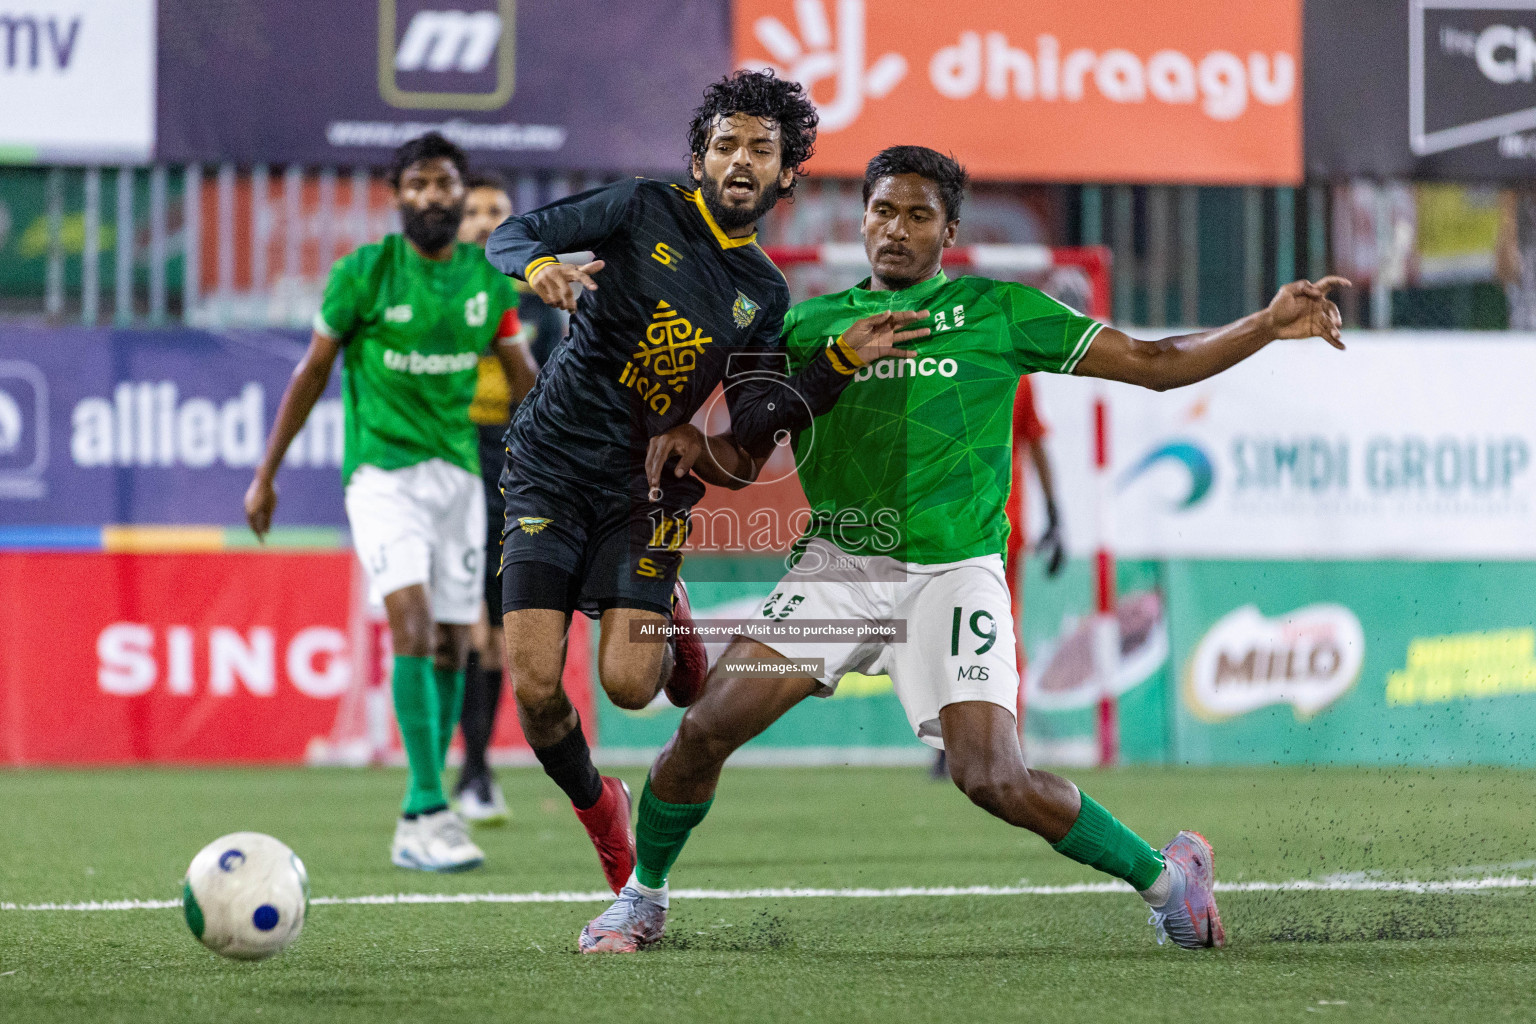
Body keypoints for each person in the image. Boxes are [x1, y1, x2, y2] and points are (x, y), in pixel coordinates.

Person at [579, 145, 1348, 953]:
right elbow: (741, 457)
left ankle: (1168, 880)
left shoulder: (1001, 312)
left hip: (956, 578)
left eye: (918, 215)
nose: (896, 229)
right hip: (840, 570)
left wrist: (1263, 326)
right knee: (704, 730)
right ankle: (642, 902)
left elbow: (1155, 365)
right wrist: (689, 445)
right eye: (883, 211)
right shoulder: (808, 325)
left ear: (950, 230)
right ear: (863, 220)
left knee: (994, 779)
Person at [483, 70, 927, 895]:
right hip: (546, 467)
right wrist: (537, 266)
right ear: (699, 159)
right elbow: (513, 231)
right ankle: (599, 809)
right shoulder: (639, 208)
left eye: (763, 150)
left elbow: (761, 414)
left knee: (628, 686)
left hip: (644, 487)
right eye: (726, 144)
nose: (741, 160)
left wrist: (831, 365)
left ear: (786, 176)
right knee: (539, 692)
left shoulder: (763, 294)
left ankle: (669, 611)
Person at [244, 133, 538, 872]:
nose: (434, 197)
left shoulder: (485, 282)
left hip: (457, 479)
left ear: (462, 198)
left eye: (446, 185)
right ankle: (430, 803)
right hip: (382, 477)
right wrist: (266, 472)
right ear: (397, 193)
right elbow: (312, 372)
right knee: (408, 623)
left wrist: (573, 459)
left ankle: (417, 817)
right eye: (420, 184)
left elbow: (525, 376)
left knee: (451, 641)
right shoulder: (365, 274)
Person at [452, 171, 566, 826]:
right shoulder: (435, 289)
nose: (483, 221)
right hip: (445, 452)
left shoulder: (530, 296)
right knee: (454, 627)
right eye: (473, 211)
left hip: (508, 461)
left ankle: (475, 769)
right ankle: (447, 770)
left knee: (493, 630)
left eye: (497, 211)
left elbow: (548, 387)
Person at [932, 373, 1063, 780]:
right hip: (976, 525)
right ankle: (969, 741)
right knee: (981, 633)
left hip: (979, 528)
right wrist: (1057, 514)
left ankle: (989, 742)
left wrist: (1056, 514)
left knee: (970, 633)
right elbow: (1035, 440)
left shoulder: (945, 365)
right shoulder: (1013, 368)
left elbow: (1034, 439)